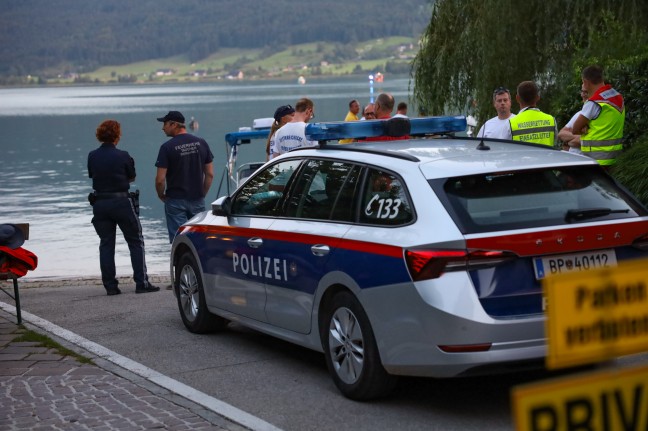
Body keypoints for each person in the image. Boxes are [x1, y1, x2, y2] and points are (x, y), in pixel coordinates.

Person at [87, 120, 159, 295]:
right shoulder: (124, 155)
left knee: (106, 244)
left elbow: (92, 175)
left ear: (99, 135)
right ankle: (141, 283)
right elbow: (131, 178)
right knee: (136, 241)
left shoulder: (92, 156)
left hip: (100, 203)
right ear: (117, 136)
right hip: (121, 202)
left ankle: (110, 286)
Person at [155, 111, 214, 243]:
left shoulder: (166, 148)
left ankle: (182, 263)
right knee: (199, 240)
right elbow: (210, 174)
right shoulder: (201, 143)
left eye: (165, 124)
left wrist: (161, 195)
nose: (162, 128)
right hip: (197, 199)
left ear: (173, 124)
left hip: (175, 201)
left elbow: (160, 180)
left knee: (180, 241)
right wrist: (202, 194)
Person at [572, 65, 625, 169]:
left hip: (596, 161)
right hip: (614, 158)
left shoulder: (594, 102)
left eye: (583, 82)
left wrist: (585, 127)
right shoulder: (617, 96)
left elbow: (575, 129)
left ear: (586, 82)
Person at [509, 81, 557, 146]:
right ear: (538, 97)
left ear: (517, 98)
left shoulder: (511, 124)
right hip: (546, 156)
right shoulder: (551, 120)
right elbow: (556, 143)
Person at [558, 89, 589, 154]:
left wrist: (569, 140)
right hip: (572, 159)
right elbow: (561, 134)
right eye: (582, 92)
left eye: (585, 92)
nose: (582, 95)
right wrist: (578, 137)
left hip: (585, 160)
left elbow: (587, 142)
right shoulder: (580, 114)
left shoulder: (596, 116)